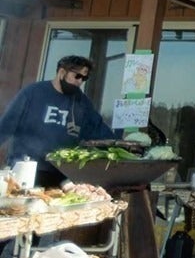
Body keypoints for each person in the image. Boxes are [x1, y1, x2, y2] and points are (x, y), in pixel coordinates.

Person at [0, 55, 115, 187]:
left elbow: (99, 131)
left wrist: (123, 147)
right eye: (77, 76)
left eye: (84, 78)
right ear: (62, 72)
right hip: (26, 169)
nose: (80, 82)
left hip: (62, 174)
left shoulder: (82, 103)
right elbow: (6, 126)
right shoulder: (33, 93)